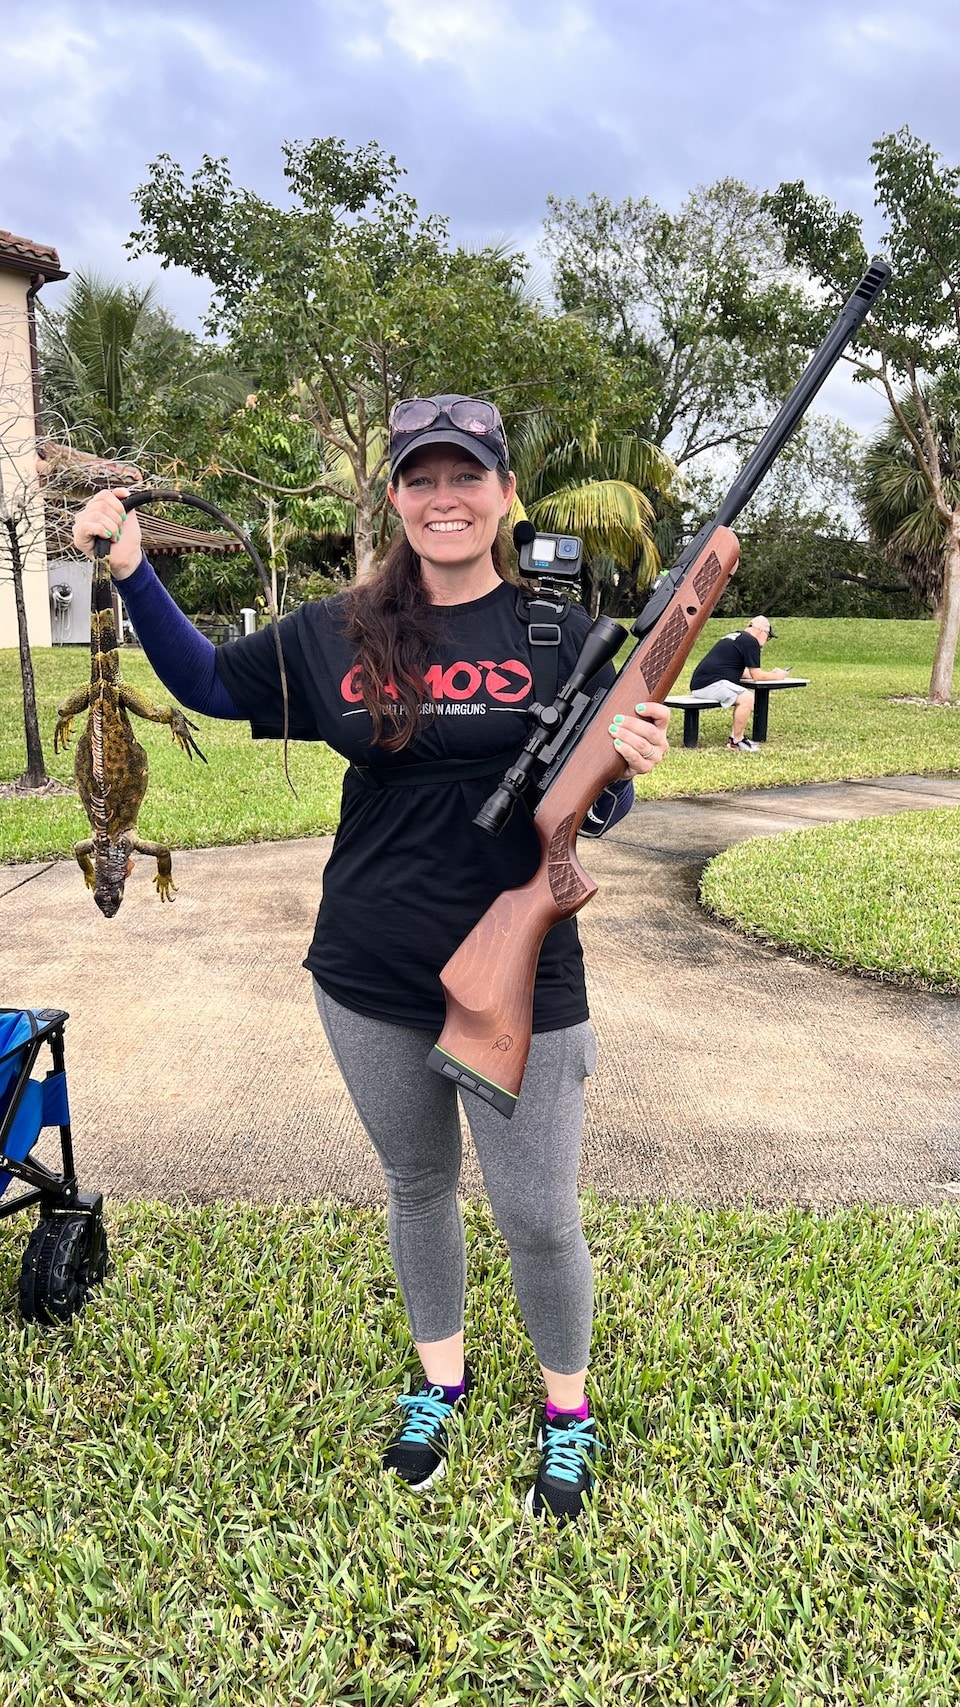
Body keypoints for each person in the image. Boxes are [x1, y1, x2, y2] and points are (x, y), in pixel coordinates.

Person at [72, 394, 670, 1526]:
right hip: (369, 964)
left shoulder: (565, 637)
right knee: (417, 1184)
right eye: (421, 478)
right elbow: (206, 684)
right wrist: (135, 569)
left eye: (468, 477)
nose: (445, 499)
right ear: (394, 496)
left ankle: (567, 1413)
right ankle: (440, 1381)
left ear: (503, 494)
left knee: (539, 1213)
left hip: (526, 967)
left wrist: (626, 762)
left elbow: (598, 809)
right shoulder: (338, 629)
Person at [687, 615, 790, 751]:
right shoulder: (751, 642)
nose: (766, 641)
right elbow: (757, 676)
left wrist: (770, 674)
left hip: (701, 683)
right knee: (746, 698)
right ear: (762, 632)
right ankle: (736, 741)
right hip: (710, 684)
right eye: (768, 637)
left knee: (744, 696)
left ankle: (737, 738)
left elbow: (742, 672)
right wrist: (778, 676)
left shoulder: (736, 637)